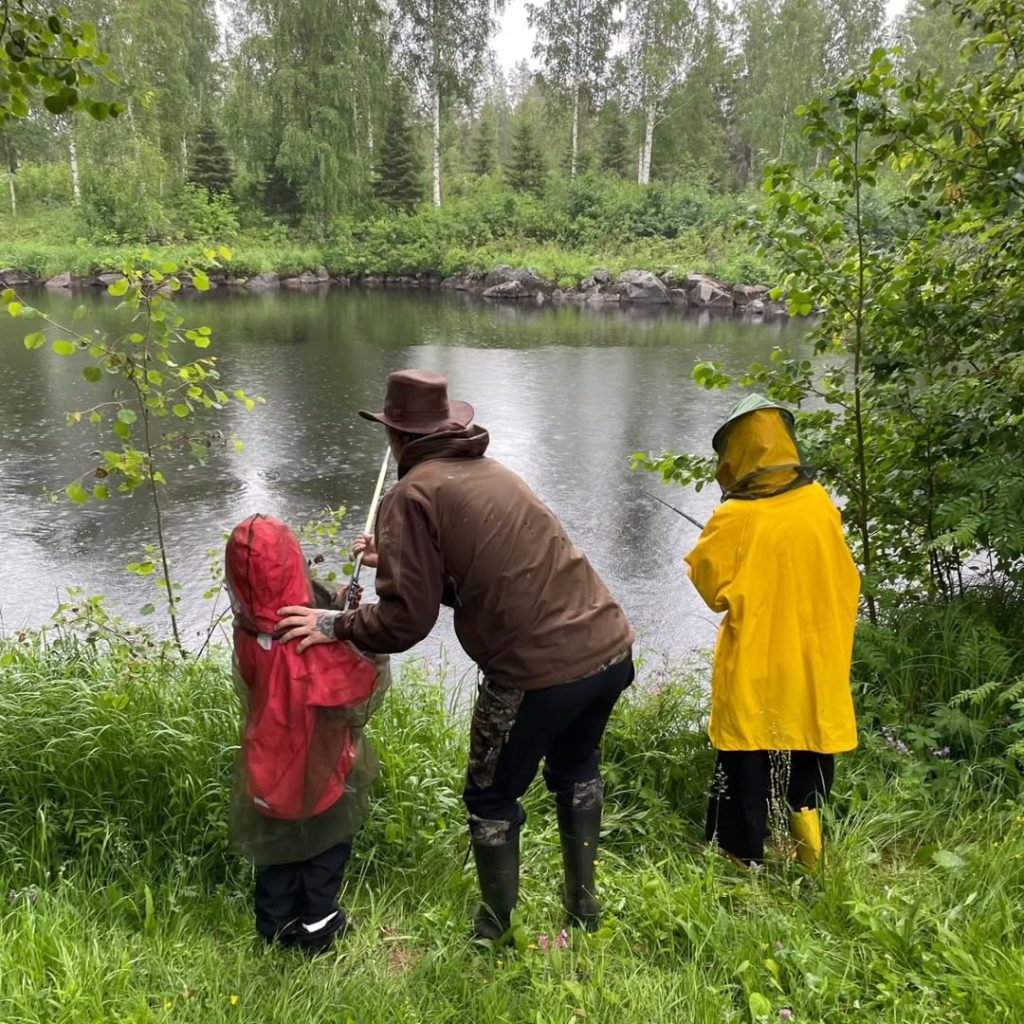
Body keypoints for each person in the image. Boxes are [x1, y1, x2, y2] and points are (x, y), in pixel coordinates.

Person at [277, 369, 635, 940]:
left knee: (490, 795)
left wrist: (335, 624)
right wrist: (395, 561)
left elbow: (404, 622)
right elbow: (482, 573)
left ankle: (495, 933)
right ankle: (584, 912)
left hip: (536, 670)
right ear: (447, 426)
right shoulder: (493, 472)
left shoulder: (412, 493)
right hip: (609, 649)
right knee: (576, 770)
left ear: (398, 436)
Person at [684, 394, 859, 868]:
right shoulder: (820, 504)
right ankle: (809, 854)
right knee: (809, 742)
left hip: (760, 658)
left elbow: (710, 587)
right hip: (816, 653)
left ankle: (741, 858)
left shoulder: (734, 518)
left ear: (736, 453)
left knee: (747, 755)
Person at [225, 513, 389, 955]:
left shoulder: (249, 630)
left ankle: (274, 927)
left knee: (275, 851)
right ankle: (318, 929)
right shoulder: (305, 643)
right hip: (317, 762)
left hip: (266, 765)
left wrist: (334, 610)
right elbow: (359, 682)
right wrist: (347, 624)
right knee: (324, 845)